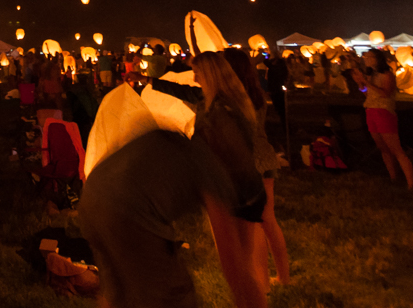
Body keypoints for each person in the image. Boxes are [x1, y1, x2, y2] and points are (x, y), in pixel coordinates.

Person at [79, 130, 257, 308]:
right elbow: (232, 260)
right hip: (128, 214)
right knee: (173, 297)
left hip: (90, 200)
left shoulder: (175, 139)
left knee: (117, 297)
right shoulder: (211, 164)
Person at [191, 52, 267, 308]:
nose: (194, 77)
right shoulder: (232, 102)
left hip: (231, 194)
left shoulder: (220, 113)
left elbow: (234, 156)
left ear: (209, 75)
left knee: (236, 273)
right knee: (242, 268)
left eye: (198, 73)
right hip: (249, 192)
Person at [224, 48, 290, 289]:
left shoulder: (232, 97)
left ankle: (261, 282)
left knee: (254, 224)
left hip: (249, 161)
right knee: (268, 220)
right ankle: (283, 277)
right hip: (266, 158)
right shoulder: (256, 93)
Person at [353, 48, 413, 189]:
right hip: (371, 110)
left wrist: (366, 83)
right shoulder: (371, 75)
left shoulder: (387, 75)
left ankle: (411, 183)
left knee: (395, 149)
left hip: (384, 112)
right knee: (383, 148)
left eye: (369, 57)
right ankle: (393, 177)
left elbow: (386, 93)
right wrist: (360, 84)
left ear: (377, 58)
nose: (366, 60)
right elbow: (367, 94)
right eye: (365, 57)